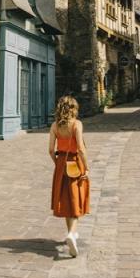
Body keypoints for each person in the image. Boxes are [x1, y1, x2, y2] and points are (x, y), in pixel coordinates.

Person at [49, 95, 90, 257]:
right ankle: (72, 233)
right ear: (74, 109)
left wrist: (57, 164)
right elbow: (80, 149)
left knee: (66, 199)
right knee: (76, 199)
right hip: (75, 163)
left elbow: (51, 150)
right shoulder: (77, 124)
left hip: (61, 164)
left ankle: (71, 232)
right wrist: (85, 168)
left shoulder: (54, 126)